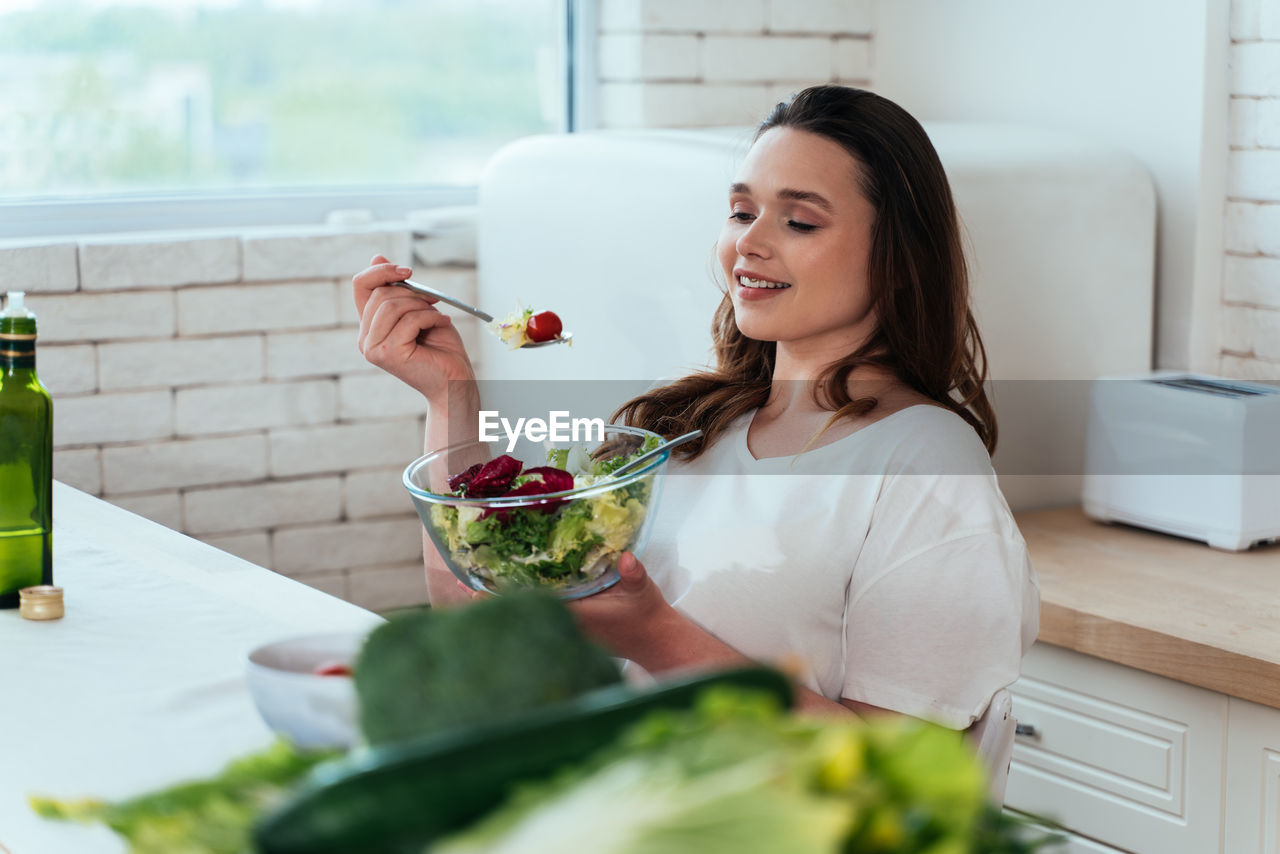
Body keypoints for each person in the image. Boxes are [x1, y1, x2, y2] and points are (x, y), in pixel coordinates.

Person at [352, 84, 1039, 727]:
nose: (749, 242)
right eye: (742, 212)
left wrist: (657, 636)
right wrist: (450, 394)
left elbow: (901, 780)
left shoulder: (926, 461)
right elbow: (480, 609)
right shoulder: (679, 431)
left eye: (799, 220)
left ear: (898, 257)